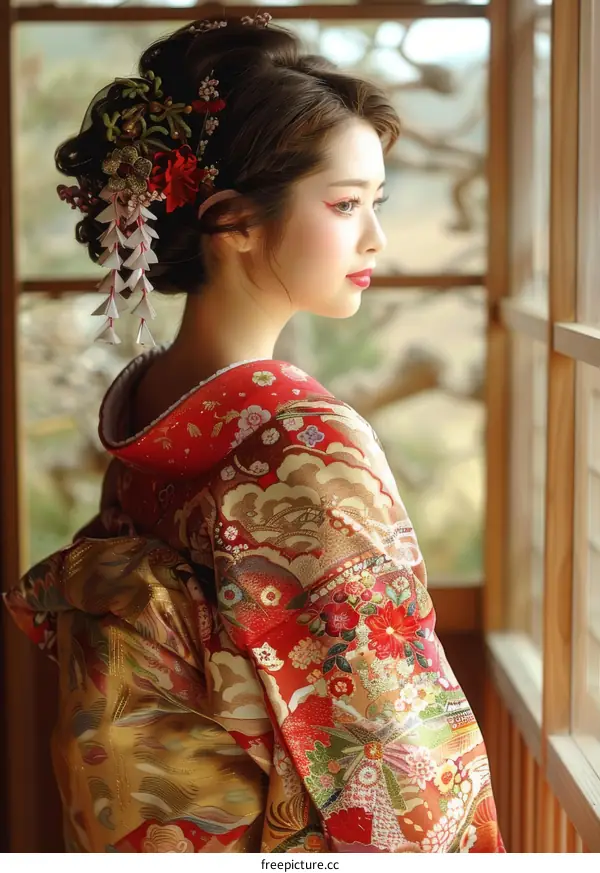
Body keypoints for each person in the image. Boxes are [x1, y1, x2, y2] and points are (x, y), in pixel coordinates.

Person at [3, 14, 504, 853]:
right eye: (345, 206)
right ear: (231, 220)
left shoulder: (145, 404)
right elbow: (396, 746)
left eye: (376, 204)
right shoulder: (308, 446)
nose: (375, 238)